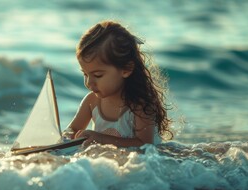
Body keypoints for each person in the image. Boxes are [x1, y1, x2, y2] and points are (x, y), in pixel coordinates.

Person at [63, 20, 173, 148]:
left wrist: (100, 138)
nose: (89, 83)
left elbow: (144, 145)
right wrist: (67, 136)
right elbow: (73, 129)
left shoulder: (140, 105)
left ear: (126, 69)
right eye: (85, 74)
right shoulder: (91, 101)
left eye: (98, 75)